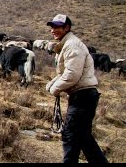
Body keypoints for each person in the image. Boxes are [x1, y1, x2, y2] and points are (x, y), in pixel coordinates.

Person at [45, 14, 108, 163]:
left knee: (70, 136)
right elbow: (67, 72)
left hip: (83, 97)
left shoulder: (72, 45)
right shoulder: (67, 44)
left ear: (67, 28)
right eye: (52, 27)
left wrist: (55, 89)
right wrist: (52, 82)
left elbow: (72, 75)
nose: (53, 30)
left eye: (57, 27)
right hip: (84, 95)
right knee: (84, 138)